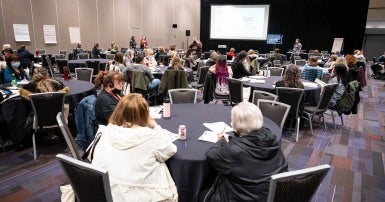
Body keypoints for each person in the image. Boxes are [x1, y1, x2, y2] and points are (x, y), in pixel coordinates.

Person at [91, 93, 178, 201]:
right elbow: (170, 150)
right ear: (144, 115)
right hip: (136, 196)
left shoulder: (108, 130)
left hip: (103, 192)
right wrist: (155, 125)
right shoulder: (149, 136)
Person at [202, 101, 288, 201]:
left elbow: (211, 155)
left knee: (202, 194)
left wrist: (221, 141)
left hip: (243, 197)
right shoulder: (271, 138)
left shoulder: (234, 150)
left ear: (235, 125)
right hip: (272, 195)